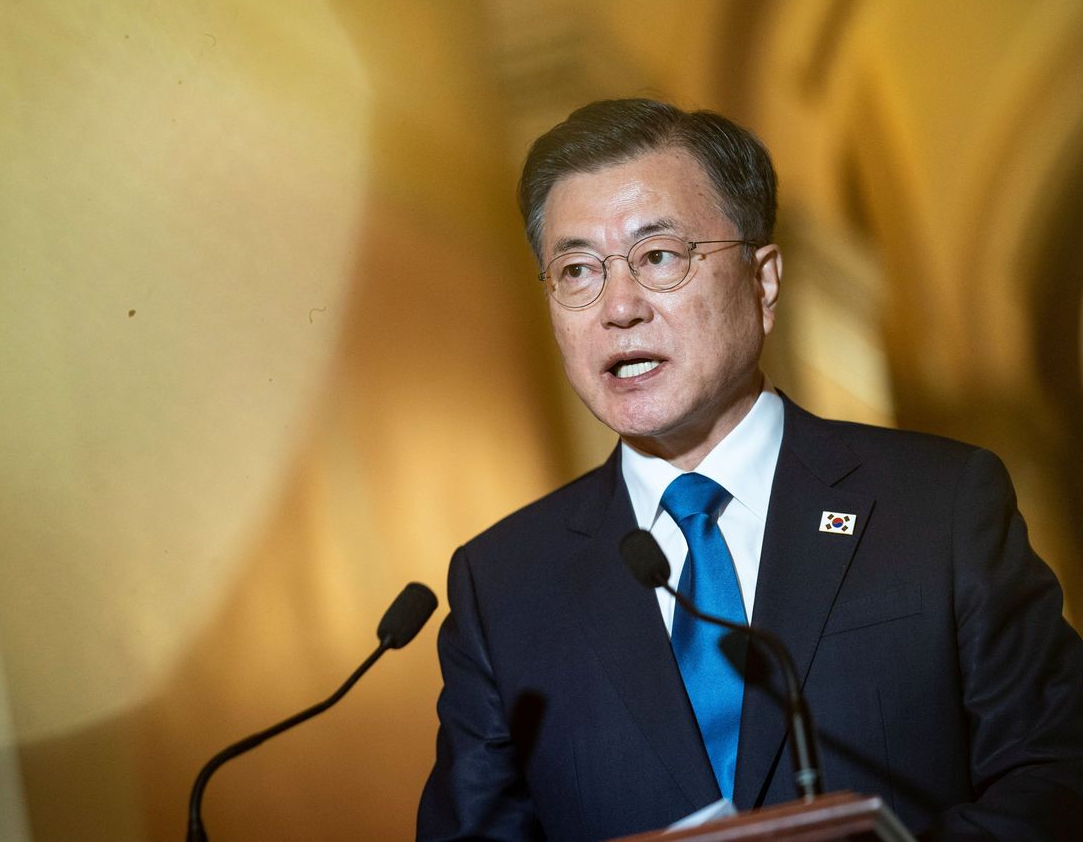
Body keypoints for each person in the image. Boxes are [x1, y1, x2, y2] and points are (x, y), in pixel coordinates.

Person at [416, 99, 1083, 841]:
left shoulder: (939, 506)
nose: (619, 306)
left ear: (763, 282)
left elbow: (1055, 774)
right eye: (577, 271)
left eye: (659, 257)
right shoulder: (504, 585)